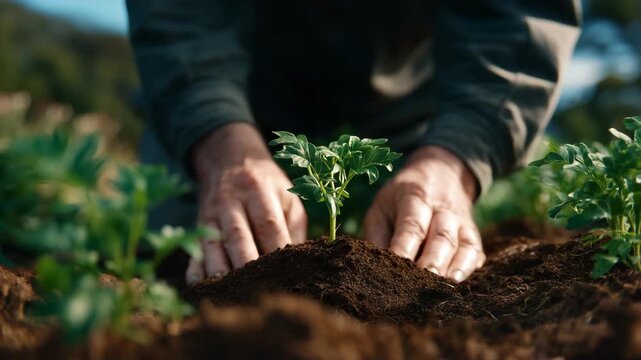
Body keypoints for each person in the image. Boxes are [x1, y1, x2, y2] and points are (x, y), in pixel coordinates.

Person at [125, 0, 581, 284]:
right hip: (236, 97)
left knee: (421, 261)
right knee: (174, 262)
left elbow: (521, 19)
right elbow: (176, 14)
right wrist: (217, 143)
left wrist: (455, 158)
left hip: (418, 116)